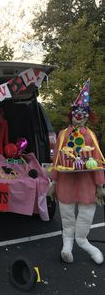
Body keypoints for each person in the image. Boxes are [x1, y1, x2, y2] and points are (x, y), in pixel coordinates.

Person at [49, 80, 105, 264]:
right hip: (65, 183)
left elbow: (96, 159)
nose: (79, 115)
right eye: (76, 112)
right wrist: (53, 183)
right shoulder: (62, 135)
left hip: (86, 184)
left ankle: (84, 242)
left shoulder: (90, 136)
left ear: (87, 116)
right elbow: (57, 158)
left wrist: (100, 185)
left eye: (83, 113)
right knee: (66, 216)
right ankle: (67, 245)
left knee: (86, 215)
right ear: (71, 114)